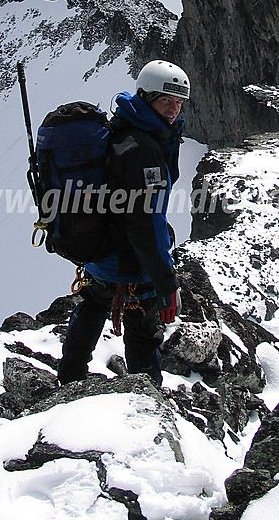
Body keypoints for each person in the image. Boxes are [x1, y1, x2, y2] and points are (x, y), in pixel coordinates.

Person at [57, 59, 189, 386]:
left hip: (100, 254)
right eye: (166, 100)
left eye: (179, 102)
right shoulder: (144, 149)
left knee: (92, 305)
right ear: (146, 98)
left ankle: (70, 375)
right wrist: (166, 282)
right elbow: (145, 224)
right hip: (129, 265)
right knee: (143, 332)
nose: (174, 109)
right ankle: (146, 397)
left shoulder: (125, 128)